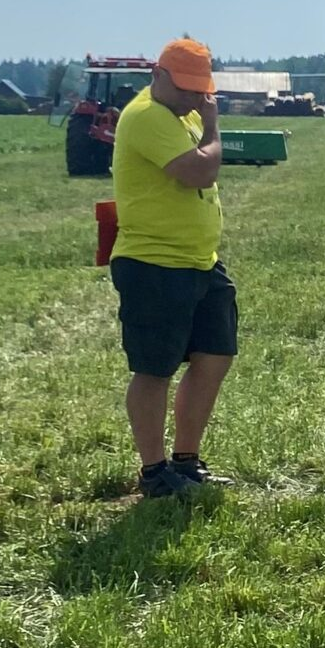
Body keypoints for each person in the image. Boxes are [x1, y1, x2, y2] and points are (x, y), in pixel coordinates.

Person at [108, 38, 237, 498]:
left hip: (200, 262)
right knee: (154, 368)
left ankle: (185, 460)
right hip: (154, 263)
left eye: (199, 90)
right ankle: (154, 471)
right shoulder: (147, 116)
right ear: (157, 76)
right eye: (184, 89)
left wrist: (202, 123)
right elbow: (201, 173)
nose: (192, 99)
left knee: (215, 355)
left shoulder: (181, 116)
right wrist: (214, 126)